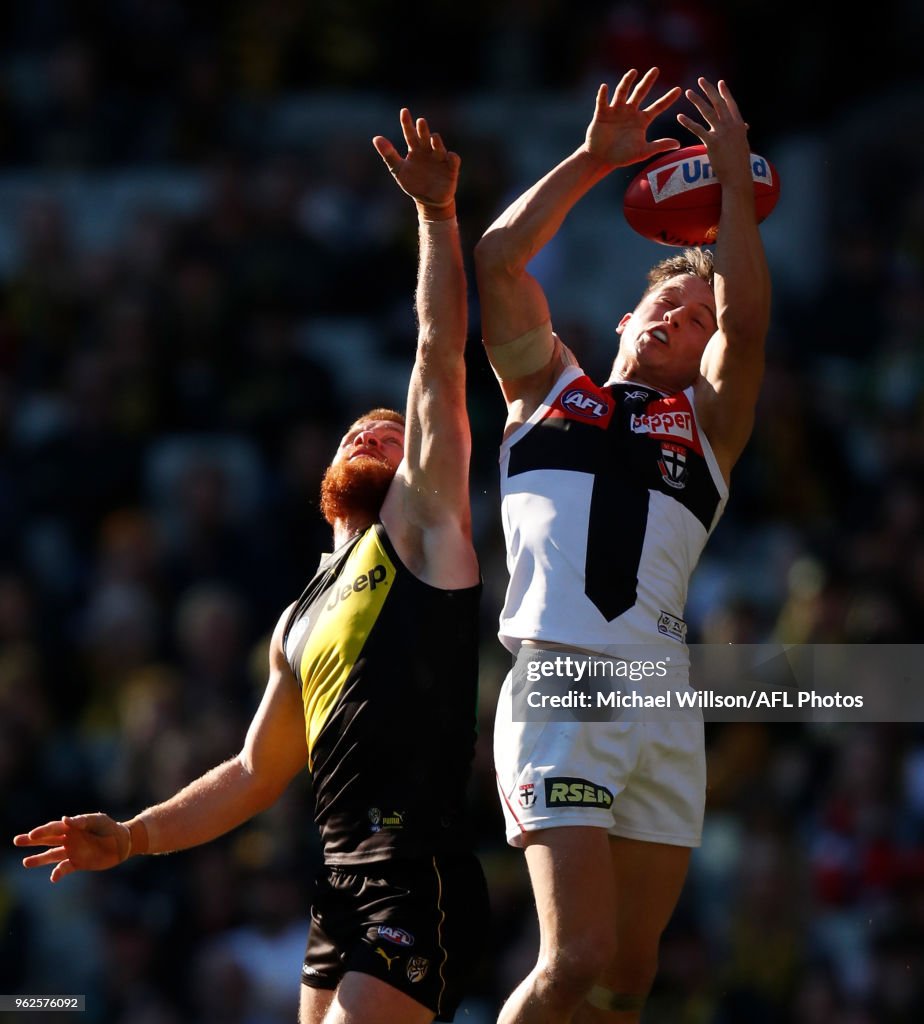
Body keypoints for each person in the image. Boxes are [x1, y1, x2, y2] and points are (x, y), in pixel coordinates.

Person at [14, 109, 490, 1024]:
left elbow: (435, 356)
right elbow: (251, 772)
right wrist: (134, 835)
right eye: (358, 427)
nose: (373, 428)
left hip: (413, 873)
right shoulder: (298, 616)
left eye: (391, 433)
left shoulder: (426, 538)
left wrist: (435, 217)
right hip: (338, 884)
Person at [473, 68, 771, 1023]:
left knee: (626, 980)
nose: (684, 322)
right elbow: (497, 263)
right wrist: (591, 163)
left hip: (660, 692)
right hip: (565, 678)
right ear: (623, 317)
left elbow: (748, 321)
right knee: (574, 960)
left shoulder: (706, 428)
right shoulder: (546, 391)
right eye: (669, 307)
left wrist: (731, 197)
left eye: (699, 323)